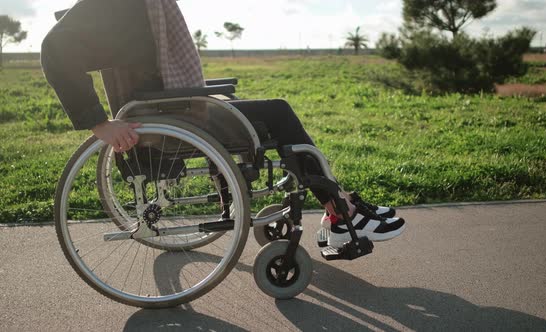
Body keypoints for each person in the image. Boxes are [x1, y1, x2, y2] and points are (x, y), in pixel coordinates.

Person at [41, 0, 404, 248]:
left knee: (265, 109)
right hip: (167, 117)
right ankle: (341, 214)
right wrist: (98, 124)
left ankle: (339, 207)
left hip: (168, 111)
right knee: (277, 112)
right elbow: (55, 48)